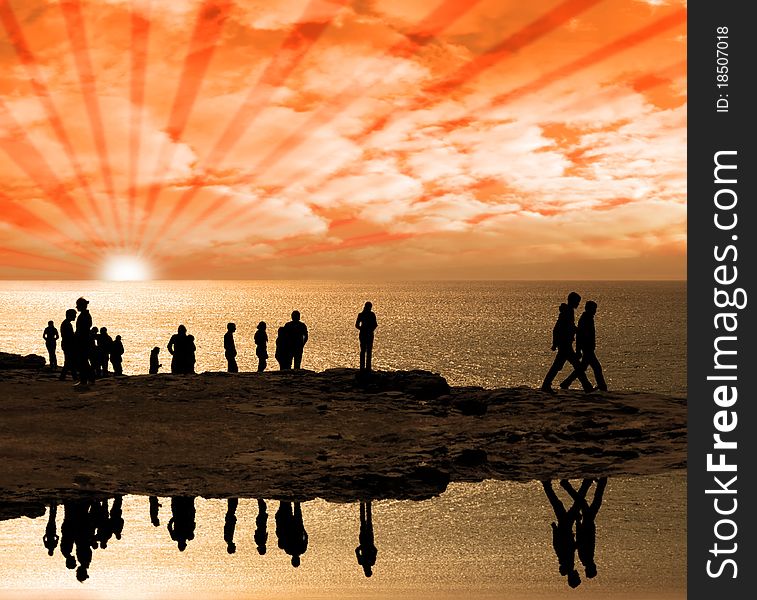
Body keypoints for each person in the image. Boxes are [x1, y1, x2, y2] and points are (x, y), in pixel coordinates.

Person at [541, 292, 592, 393]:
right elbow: (560, 328)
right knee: (575, 366)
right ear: (572, 301)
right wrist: (555, 342)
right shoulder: (567, 312)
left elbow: (565, 327)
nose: (578, 304)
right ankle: (587, 387)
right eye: (577, 302)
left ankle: (547, 384)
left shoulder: (568, 311)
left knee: (560, 366)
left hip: (565, 344)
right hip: (565, 344)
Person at [542, 480, 589, 588]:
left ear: (572, 577)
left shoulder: (567, 564)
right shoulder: (568, 565)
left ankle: (586, 482)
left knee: (576, 504)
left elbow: (559, 546)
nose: (578, 574)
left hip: (565, 528)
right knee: (560, 505)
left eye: (577, 577)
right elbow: (567, 548)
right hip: (565, 528)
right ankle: (548, 485)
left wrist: (555, 530)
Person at [562, 478, 607, 579]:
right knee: (589, 502)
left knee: (589, 502)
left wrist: (578, 522)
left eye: (594, 568)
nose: (595, 566)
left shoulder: (586, 558)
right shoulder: (588, 559)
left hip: (587, 524)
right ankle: (599, 482)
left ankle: (567, 485)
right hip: (588, 525)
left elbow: (581, 540)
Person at [560, 301, 607, 391]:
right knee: (596, 367)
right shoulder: (585, 319)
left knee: (582, 368)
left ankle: (566, 383)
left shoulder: (588, 318)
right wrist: (578, 349)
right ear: (589, 309)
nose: (595, 311)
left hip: (588, 348)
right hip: (587, 348)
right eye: (594, 309)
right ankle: (602, 386)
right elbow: (580, 335)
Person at [74, 297, 95, 388]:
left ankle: (85, 380)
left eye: (78, 305)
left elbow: (82, 330)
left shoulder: (84, 316)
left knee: (83, 361)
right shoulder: (85, 315)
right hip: (84, 340)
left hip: (83, 341)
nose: (77, 307)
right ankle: (87, 379)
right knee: (83, 361)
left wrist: (77, 338)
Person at [355, 501, 377, 577]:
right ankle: (367, 503)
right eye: (368, 571)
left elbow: (356, 550)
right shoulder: (370, 562)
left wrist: (362, 546)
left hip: (364, 541)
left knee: (364, 522)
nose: (367, 569)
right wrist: (370, 546)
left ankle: (363, 503)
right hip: (369, 540)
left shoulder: (362, 562)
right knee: (367, 521)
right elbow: (375, 550)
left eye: (366, 571)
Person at [355, 302, 378, 372]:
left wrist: (370, 330)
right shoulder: (361, 314)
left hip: (368, 334)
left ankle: (367, 367)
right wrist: (363, 329)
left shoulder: (371, 314)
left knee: (368, 351)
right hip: (364, 334)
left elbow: (375, 324)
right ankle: (363, 367)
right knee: (364, 351)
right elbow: (357, 325)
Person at [59, 309, 78, 381]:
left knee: (69, 361)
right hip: (68, 345)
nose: (75, 317)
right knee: (69, 361)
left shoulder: (66, 323)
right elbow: (69, 336)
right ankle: (70, 377)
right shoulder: (66, 324)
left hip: (66, 344)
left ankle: (70, 376)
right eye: (74, 315)